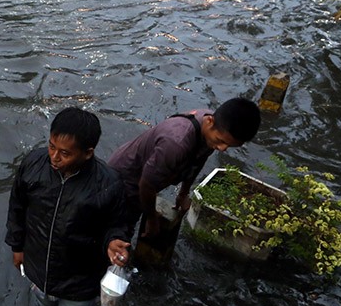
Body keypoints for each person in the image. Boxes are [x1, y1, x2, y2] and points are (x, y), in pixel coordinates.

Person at [6, 108, 131, 306]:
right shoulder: (33, 165)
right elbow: (17, 207)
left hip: (79, 283)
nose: (54, 157)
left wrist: (114, 241)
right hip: (39, 270)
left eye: (65, 153)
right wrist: (17, 246)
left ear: (87, 153)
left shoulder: (108, 184)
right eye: (51, 146)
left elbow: (117, 224)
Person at [108, 98, 261, 239]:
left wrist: (183, 193)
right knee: (118, 231)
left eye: (229, 145)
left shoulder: (211, 131)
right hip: (123, 180)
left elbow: (198, 159)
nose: (222, 148)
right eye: (220, 141)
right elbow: (146, 185)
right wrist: (152, 219)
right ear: (209, 121)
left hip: (147, 172)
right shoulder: (176, 143)